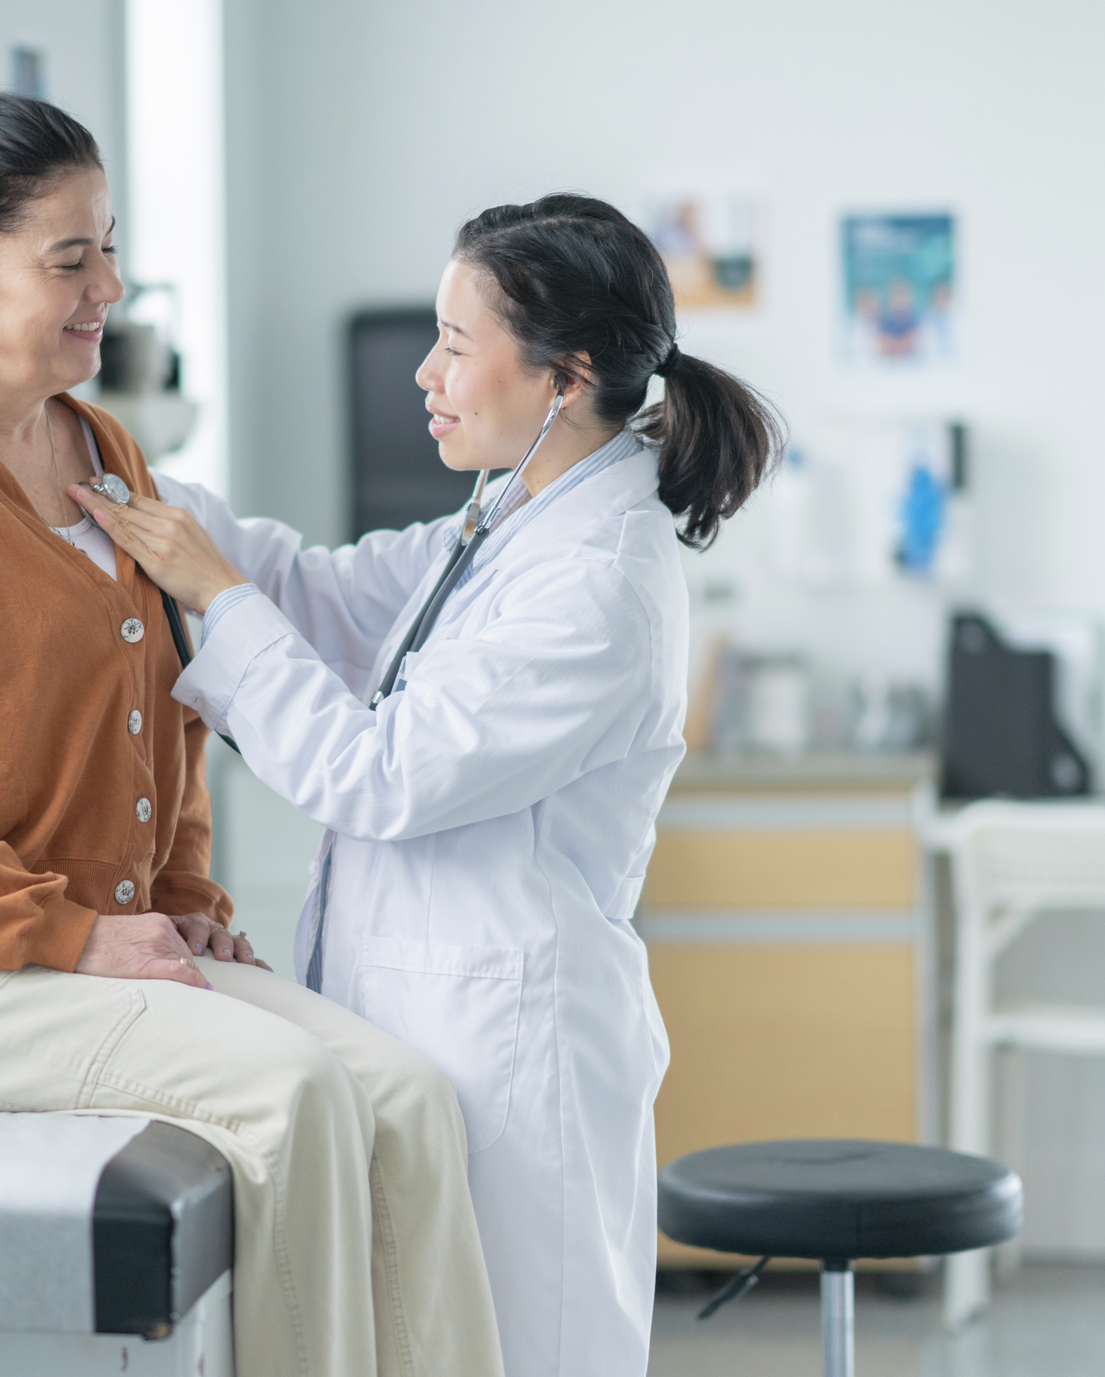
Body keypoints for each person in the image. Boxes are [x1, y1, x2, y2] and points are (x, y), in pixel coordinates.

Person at [0, 81, 505, 1377]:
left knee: (406, 1097)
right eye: (69, 261)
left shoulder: (100, 447)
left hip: (66, 944)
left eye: (107, 249)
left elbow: (164, 706)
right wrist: (72, 934)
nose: (107, 287)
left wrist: (182, 899)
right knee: (290, 1093)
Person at [73, 193, 783, 1377]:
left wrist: (213, 594)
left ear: (565, 377)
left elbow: (379, 774)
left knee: (509, 1351)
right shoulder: (512, 517)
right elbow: (328, 595)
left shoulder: (599, 579)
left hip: (515, 1062)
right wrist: (115, 470)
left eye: (457, 343)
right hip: (429, 1034)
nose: (426, 373)